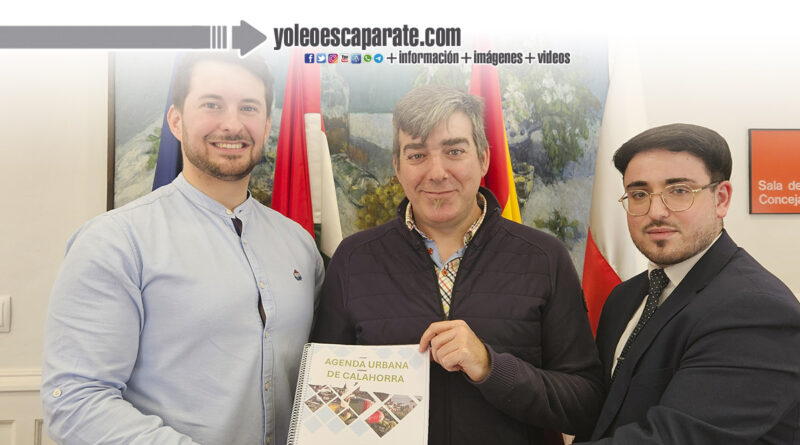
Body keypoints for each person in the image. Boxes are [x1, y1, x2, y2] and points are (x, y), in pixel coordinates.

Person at [41, 52, 324, 445]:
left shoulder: (299, 245)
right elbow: (75, 402)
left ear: (266, 125)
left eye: (248, 107)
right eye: (212, 104)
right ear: (176, 121)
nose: (232, 123)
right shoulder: (115, 242)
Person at [312, 85, 603, 444]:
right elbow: (325, 398)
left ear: (483, 158)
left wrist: (491, 367)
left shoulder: (544, 258)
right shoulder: (353, 259)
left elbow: (584, 403)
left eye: (454, 151)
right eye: (417, 155)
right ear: (397, 167)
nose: (437, 172)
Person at [575, 123, 800, 444]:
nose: (656, 212)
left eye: (679, 191)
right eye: (639, 194)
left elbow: (676, 438)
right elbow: (603, 414)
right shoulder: (624, 296)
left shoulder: (757, 308)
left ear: (721, 199)